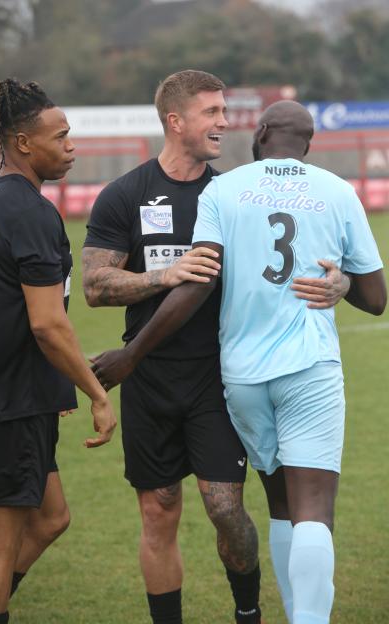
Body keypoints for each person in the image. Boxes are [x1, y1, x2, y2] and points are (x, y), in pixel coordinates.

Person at [93, 99, 386, 624]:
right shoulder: (338, 191)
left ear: (263, 132)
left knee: (279, 505)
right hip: (309, 369)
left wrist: (132, 352)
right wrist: (339, 284)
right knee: (313, 508)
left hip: (243, 376)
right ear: (310, 143)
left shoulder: (222, 190)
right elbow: (376, 297)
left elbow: (197, 285)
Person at [0, 78, 116, 624]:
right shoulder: (31, 212)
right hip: (9, 397)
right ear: (23, 143)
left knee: (52, 518)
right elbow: (48, 325)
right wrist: (96, 392)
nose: (71, 145)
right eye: (60, 136)